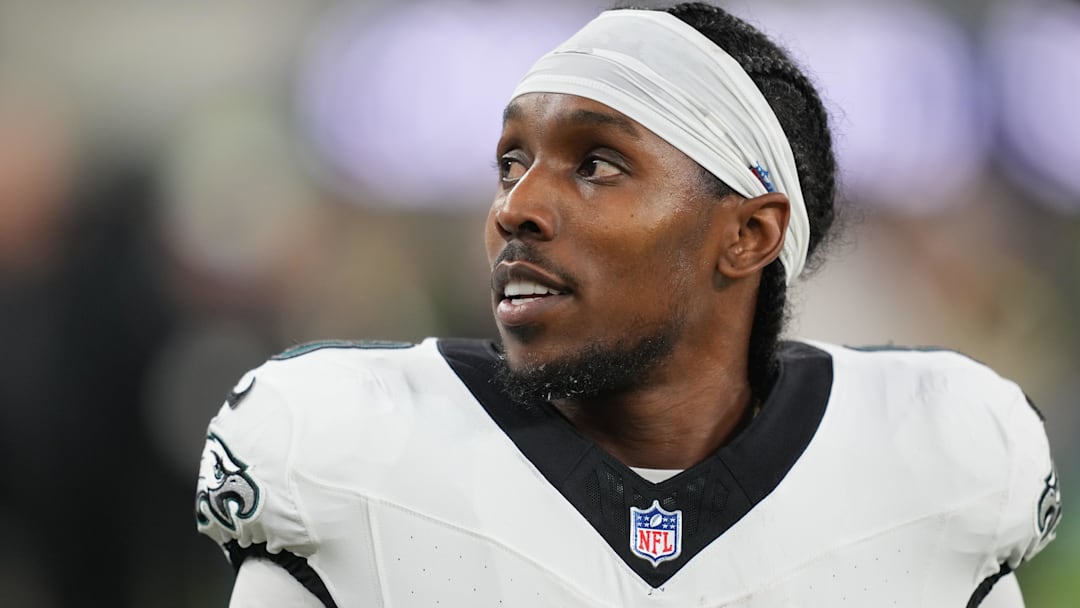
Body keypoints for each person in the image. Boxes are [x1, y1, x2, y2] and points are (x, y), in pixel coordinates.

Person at [194, 3, 1060, 606]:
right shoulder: (348, 448)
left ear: (748, 234)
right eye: (511, 163)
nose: (515, 208)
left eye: (596, 165)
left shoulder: (933, 461)